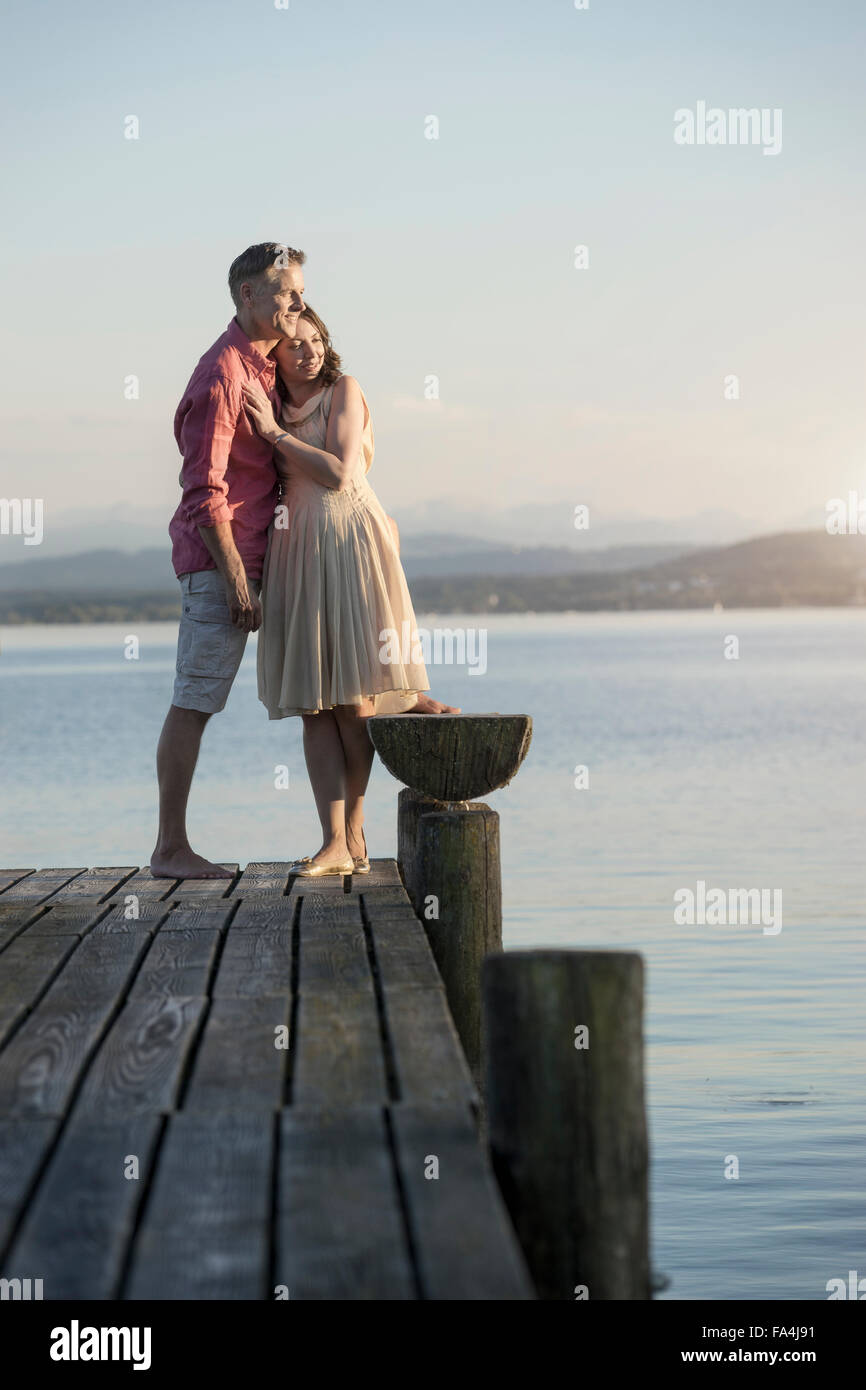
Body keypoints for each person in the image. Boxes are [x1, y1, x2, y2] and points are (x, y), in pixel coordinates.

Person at [151, 243, 457, 880]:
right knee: (197, 699)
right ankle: (171, 849)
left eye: (299, 298)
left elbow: (340, 473)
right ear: (248, 296)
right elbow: (204, 492)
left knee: (342, 695)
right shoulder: (223, 378)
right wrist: (237, 581)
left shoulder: (263, 369)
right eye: (286, 293)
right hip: (225, 564)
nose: (296, 306)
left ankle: (349, 836)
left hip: (286, 560)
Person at [242, 307, 459, 876]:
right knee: (316, 705)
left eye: (316, 340)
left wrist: (271, 432)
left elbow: (339, 471)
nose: (309, 351)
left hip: (349, 540)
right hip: (296, 549)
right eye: (295, 344)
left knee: (355, 701)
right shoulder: (267, 400)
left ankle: (356, 832)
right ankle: (331, 840)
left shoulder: (344, 390)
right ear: (275, 353)